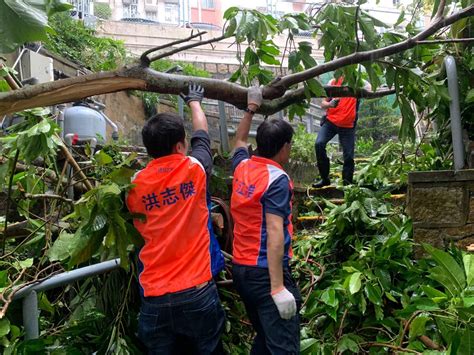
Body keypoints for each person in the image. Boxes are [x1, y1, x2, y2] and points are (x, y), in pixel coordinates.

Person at [126, 83, 225, 354]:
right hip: (197, 291)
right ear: (180, 145)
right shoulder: (194, 169)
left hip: (154, 296)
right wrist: (194, 101)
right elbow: (202, 136)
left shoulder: (134, 186)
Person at [230, 87, 302, 354]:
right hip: (265, 273)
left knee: (264, 338)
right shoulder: (277, 179)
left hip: (242, 270)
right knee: (283, 347)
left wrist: (251, 108)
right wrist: (278, 287)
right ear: (284, 147)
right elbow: (274, 233)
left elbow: (238, 142)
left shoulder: (243, 167)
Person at [313, 76, 370, 187]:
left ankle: (347, 184)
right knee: (319, 144)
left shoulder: (357, 81)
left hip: (348, 126)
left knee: (348, 156)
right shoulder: (332, 82)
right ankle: (325, 178)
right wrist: (330, 104)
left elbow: (369, 88)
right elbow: (322, 104)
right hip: (330, 122)